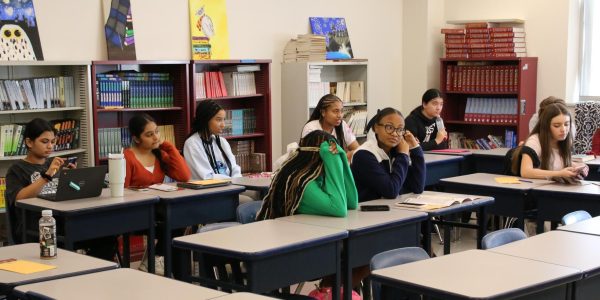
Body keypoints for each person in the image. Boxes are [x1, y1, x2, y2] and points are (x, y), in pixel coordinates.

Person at [5, 118, 115, 259]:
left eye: (53, 141)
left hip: (64, 220)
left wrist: (72, 178)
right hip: (36, 227)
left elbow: (68, 193)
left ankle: (96, 273)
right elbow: (19, 198)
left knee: (106, 235)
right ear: (29, 142)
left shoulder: (54, 164)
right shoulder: (17, 169)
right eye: (45, 142)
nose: (50, 146)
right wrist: (47, 176)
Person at [257, 130, 357, 219]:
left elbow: (352, 203)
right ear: (321, 156)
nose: (336, 155)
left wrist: (342, 156)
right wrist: (332, 159)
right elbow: (339, 209)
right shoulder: (303, 182)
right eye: (334, 154)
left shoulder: (318, 177)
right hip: (288, 236)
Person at [351, 108, 426, 202]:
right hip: (367, 212)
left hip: (392, 209)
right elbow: (391, 191)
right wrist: (403, 155)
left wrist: (415, 147)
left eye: (400, 129)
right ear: (376, 128)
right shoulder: (364, 155)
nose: (395, 134)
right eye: (389, 127)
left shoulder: (395, 151)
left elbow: (417, 187)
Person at [512, 103, 589, 179]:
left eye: (566, 124)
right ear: (546, 127)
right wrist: (559, 174)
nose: (563, 129)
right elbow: (525, 172)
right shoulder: (534, 141)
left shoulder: (563, 141)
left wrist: (576, 166)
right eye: (557, 125)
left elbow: (555, 163)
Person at [124, 113, 191, 187]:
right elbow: (123, 190)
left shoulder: (160, 155)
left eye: (157, 131)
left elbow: (184, 177)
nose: (156, 137)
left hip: (158, 198)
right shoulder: (127, 157)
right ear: (136, 139)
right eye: (149, 135)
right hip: (137, 198)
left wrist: (169, 147)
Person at [184, 100, 241, 180]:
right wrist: (231, 182)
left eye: (224, 120)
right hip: (208, 191)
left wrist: (238, 182)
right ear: (205, 119)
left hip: (230, 186)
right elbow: (206, 176)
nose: (223, 125)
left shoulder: (222, 142)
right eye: (218, 120)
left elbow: (234, 168)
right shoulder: (192, 144)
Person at [301, 94, 360, 161]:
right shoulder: (310, 128)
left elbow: (357, 150)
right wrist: (345, 156)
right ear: (323, 112)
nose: (340, 115)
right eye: (335, 111)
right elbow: (313, 160)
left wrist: (348, 155)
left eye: (341, 111)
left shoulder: (342, 125)